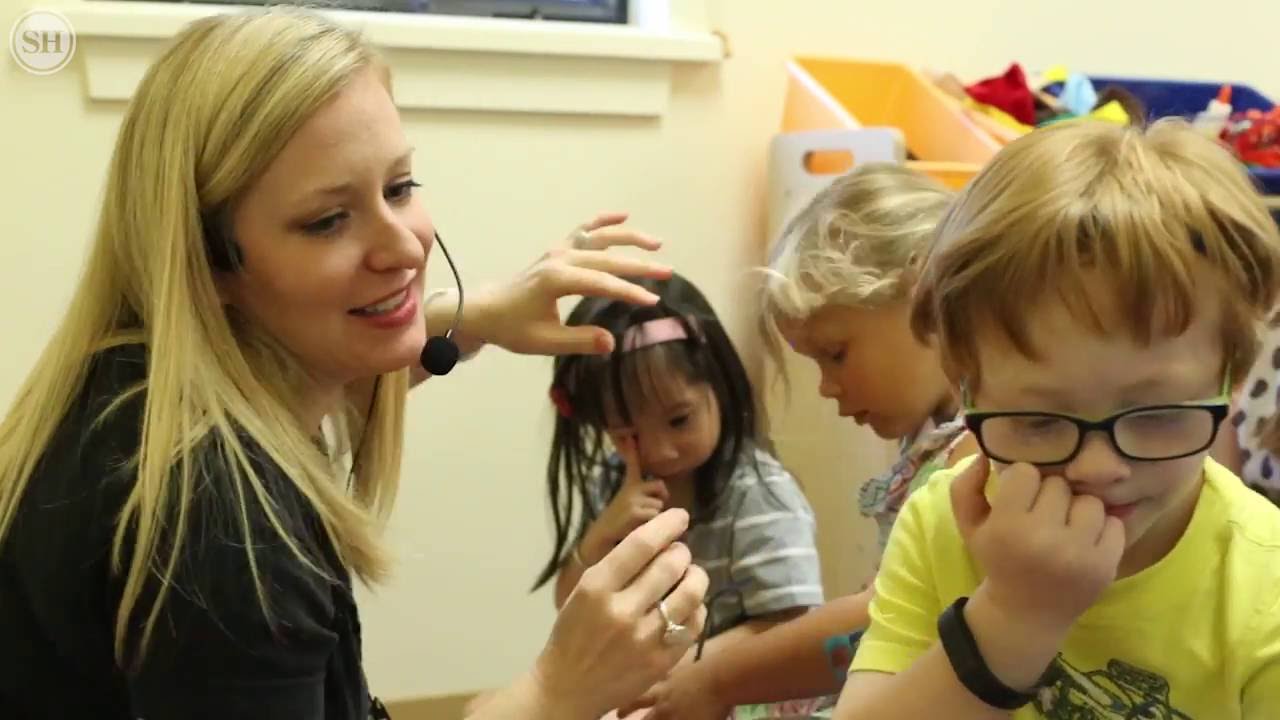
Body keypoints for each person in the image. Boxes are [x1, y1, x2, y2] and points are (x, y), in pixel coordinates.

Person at [0, 8, 708, 720]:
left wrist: (474, 317)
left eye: (400, 188)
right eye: (328, 220)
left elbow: (308, 371)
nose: (403, 249)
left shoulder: (129, 387)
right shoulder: (221, 529)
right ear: (205, 260)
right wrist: (556, 693)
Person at [835, 119, 1280, 719]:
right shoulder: (941, 524)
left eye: (1156, 414)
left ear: (1230, 382)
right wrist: (1012, 619)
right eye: (1039, 421)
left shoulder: (1264, 585)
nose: (1098, 468)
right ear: (967, 389)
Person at [622, 164, 977, 720]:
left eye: (836, 353)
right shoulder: (935, 441)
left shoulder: (977, 455)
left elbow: (880, 621)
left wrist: (715, 680)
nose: (828, 388)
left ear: (929, 296)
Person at [533, 272, 825, 716]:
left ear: (719, 386)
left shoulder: (758, 494)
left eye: (678, 420)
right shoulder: (616, 485)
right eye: (628, 431)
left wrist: (673, 669)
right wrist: (602, 535)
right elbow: (571, 606)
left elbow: (790, 624)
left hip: (749, 692)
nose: (660, 450)